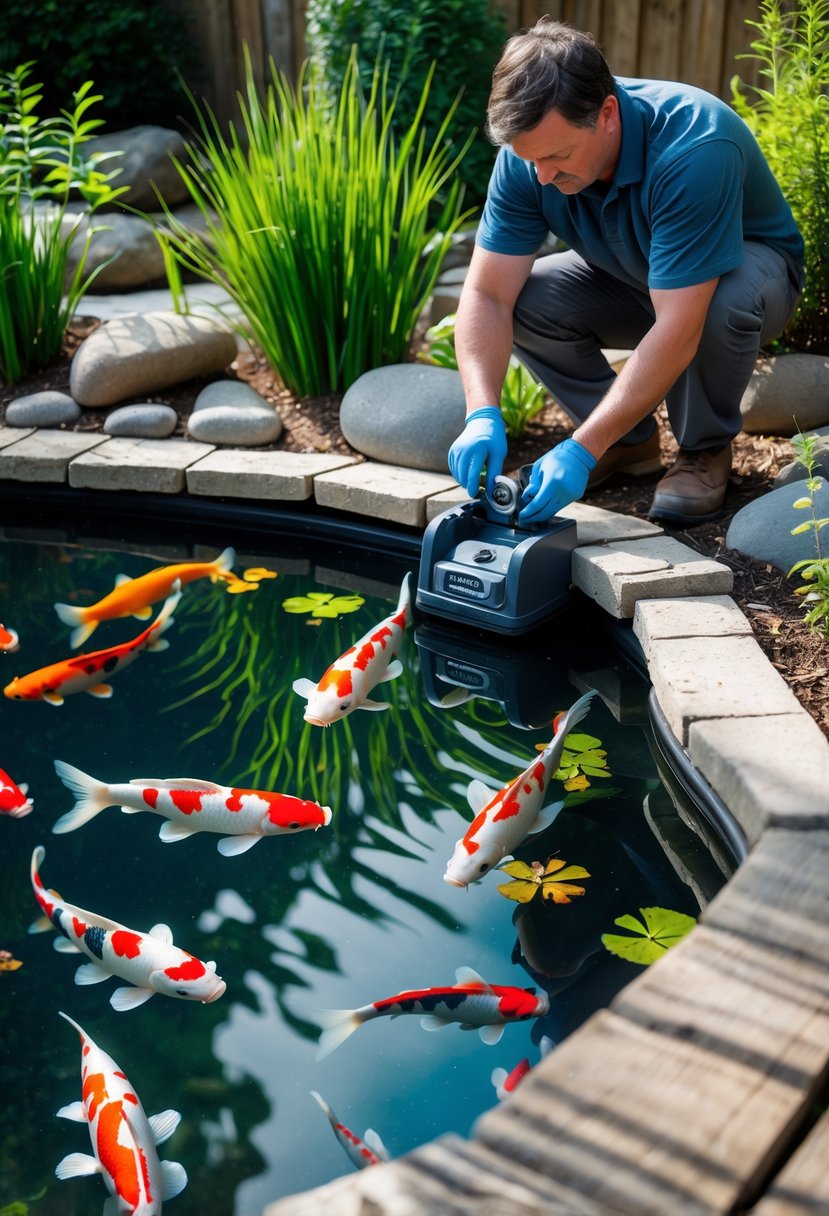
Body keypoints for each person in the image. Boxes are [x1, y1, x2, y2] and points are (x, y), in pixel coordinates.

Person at [448, 18, 804, 527]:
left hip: (751, 275)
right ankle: (626, 444)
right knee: (528, 298)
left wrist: (578, 452)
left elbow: (679, 326)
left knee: (718, 304)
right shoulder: (528, 161)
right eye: (531, 161)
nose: (543, 176)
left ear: (608, 113)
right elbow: (486, 295)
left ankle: (703, 451)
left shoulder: (694, 145)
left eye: (557, 155)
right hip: (635, 274)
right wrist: (481, 411)